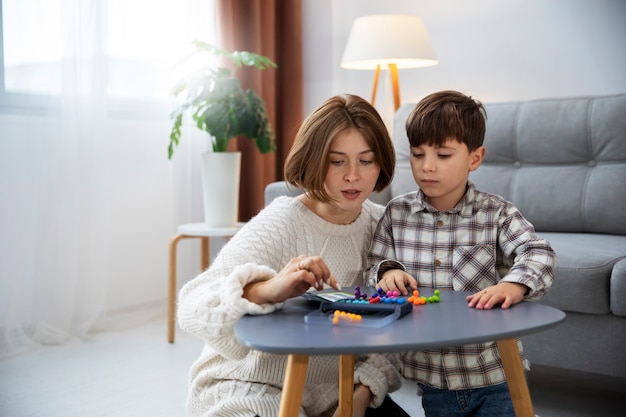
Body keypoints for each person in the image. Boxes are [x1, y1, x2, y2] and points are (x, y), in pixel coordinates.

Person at [178, 94, 409, 417]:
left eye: (366, 161)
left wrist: (357, 399)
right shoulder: (283, 221)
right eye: (337, 161)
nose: (353, 176)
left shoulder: (385, 226)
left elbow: (398, 332)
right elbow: (192, 306)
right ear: (314, 160)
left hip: (338, 393)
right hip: (251, 388)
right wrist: (267, 289)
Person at [366, 90, 558, 417]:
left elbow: (538, 253)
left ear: (474, 158)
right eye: (417, 154)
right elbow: (375, 267)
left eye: (443, 155)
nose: (427, 167)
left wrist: (514, 285)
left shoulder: (496, 213)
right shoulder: (396, 214)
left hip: (495, 374)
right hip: (431, 380)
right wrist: (388, 274)